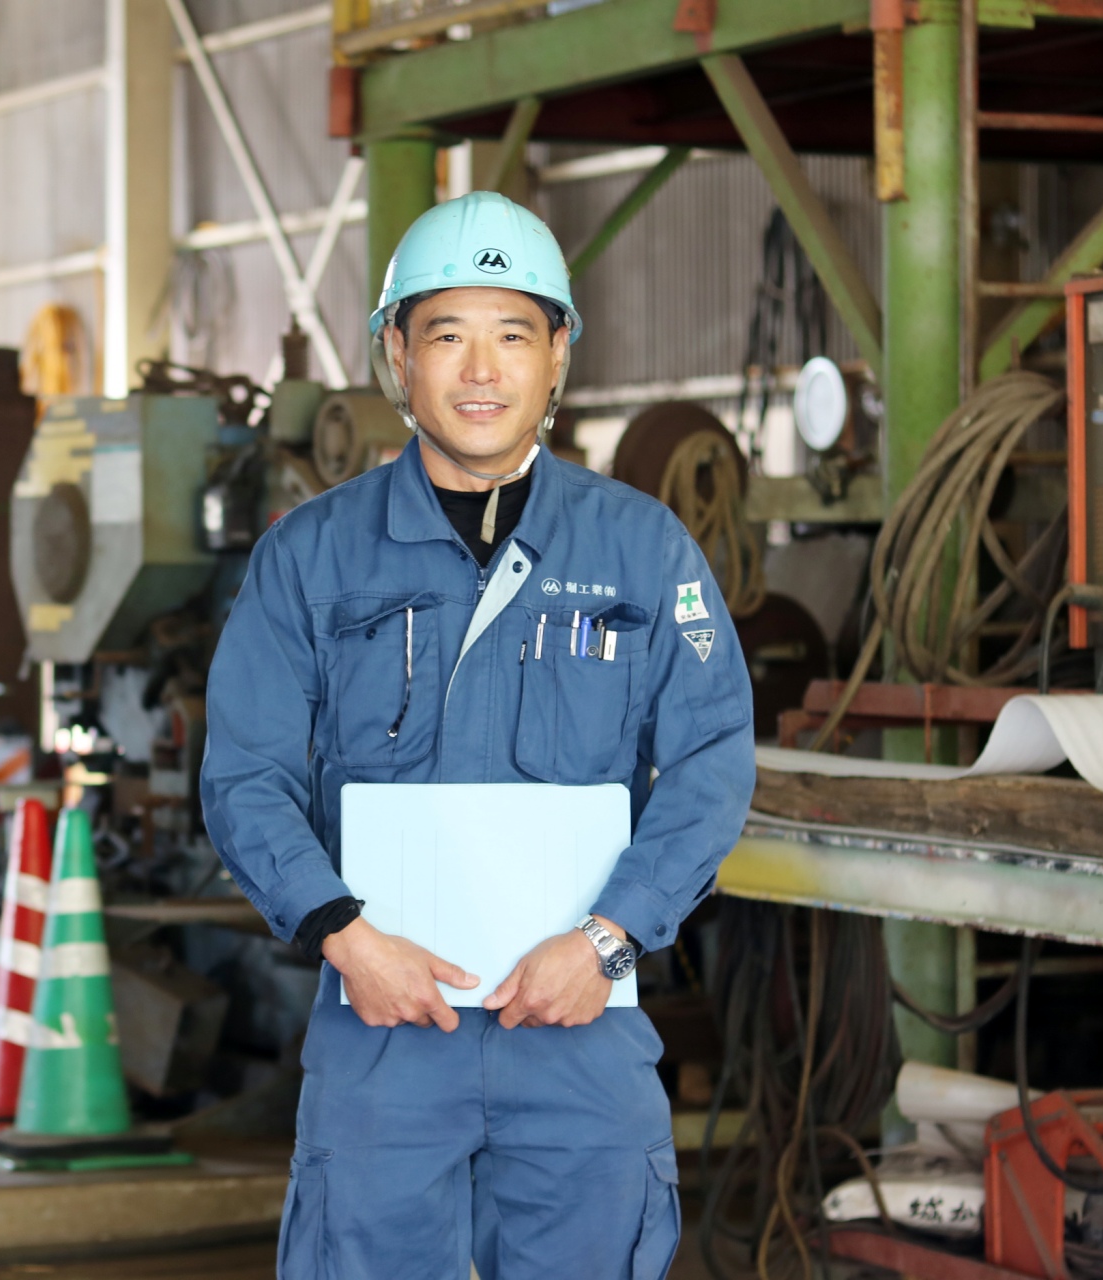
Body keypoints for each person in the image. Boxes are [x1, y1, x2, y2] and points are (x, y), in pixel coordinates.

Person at [198, 191, 755, 1278]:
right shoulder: (311, 557)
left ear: (559, 356)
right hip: (384, 1027)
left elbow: (710, 762)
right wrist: (345, 938)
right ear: (396, 356)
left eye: (513, 334)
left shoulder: (644, 550)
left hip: (580, 1026)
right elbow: (246, 772)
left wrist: (606, 941)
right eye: (447, 334)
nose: (481, 369)